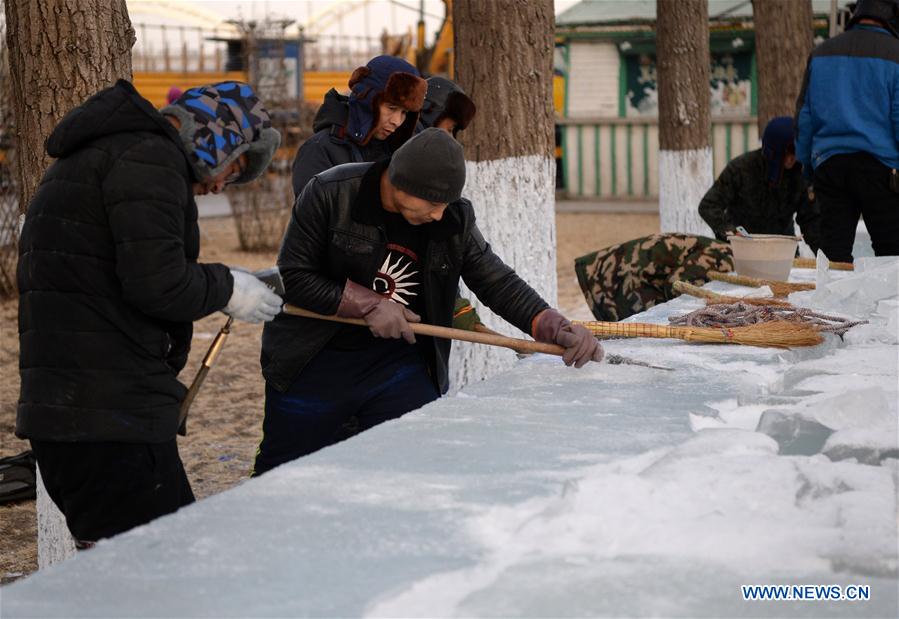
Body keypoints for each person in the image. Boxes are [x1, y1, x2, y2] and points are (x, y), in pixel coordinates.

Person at [16, 80, 284, 546]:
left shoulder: (101, 156)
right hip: (110, 420)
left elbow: (121, 272)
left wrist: (225, 281)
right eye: (234, 165)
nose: (222, 183)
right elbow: (156, 282)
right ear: (213, 135)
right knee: (159, 577)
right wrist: (226, 287)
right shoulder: (149, 159)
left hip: (74, 417)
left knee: (120, 576)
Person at [252, 129, 603, 475]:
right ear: (400, 182)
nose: (439, 214)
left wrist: (552, 325)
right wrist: (369, 304)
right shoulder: (331, 192)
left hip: (399, 364)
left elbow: (496, 280)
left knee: (414, 469)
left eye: (445, 204)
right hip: (314, 360)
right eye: (433, 204)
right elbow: (294, 277)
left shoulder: (452, 218)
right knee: (279, 474)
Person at [795, 0, 899, 263]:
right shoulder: (895, 53)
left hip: (829, 166)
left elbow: (805, 117)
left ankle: (833, 302)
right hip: (882, 169)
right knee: (891, 256)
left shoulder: (821, 53)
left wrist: (808, 168)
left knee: (834, 255)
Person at [290, 54, 426, 198]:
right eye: (391, 108)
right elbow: (312, 216)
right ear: (367, 100)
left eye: (404, 112)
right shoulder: (319, 150)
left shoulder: (404, 150)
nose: (397, 121)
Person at [698, 116, 821, 253]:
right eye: (789, 150)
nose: (794, 157)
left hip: (782, 253)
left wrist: (827, 258)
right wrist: (730, 232)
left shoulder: (800, 175)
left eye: (797, 151)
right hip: (740, 251)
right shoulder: (741, 169)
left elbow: (811, 220)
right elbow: (709, 206)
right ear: (774, 149)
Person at [575, 234, 734, 322]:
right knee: (632, 333)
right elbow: (676, 284)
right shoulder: (726, 256)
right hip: (623, 272)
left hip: (636, 273)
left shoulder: (730, 254)